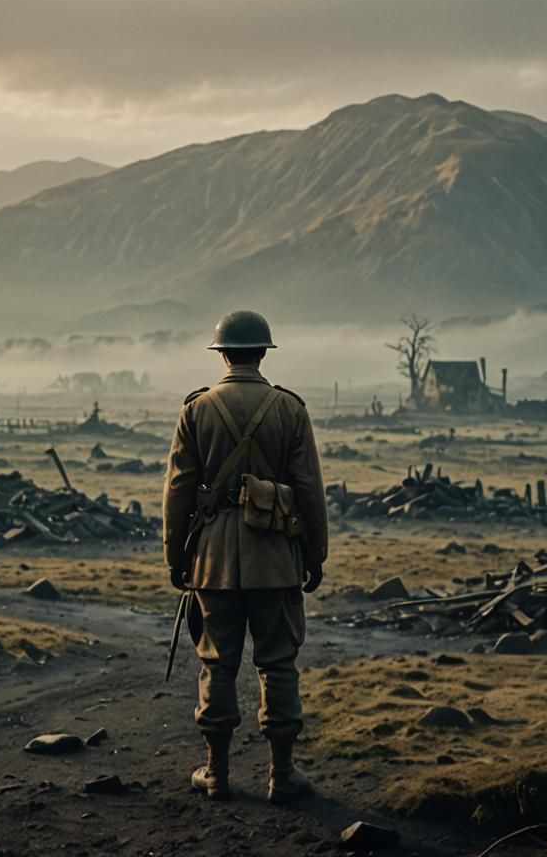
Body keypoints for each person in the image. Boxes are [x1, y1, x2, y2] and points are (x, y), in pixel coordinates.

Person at [162, 310, 328, 804]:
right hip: (276, 558)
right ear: (262, 352)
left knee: (217, 665)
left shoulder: (196, 409)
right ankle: (282, 775)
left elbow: (179, 491)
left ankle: (216, 774)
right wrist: (315, 554)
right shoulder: (289, 409)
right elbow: (308, 490)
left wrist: (177, 556)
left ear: (223, 354)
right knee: (277, 665)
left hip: (212, 562)